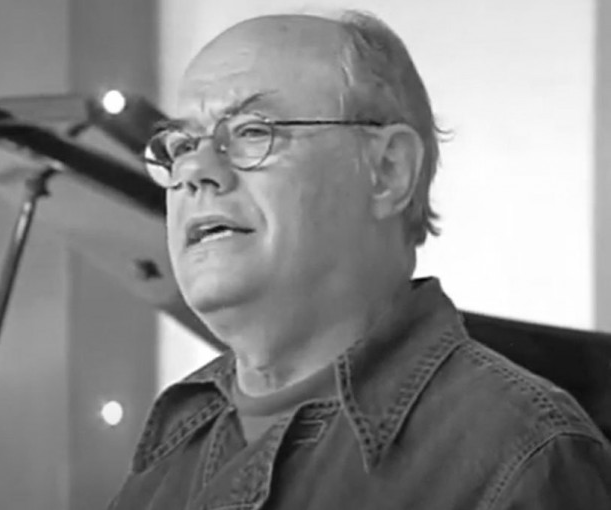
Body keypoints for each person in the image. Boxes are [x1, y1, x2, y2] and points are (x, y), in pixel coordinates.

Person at [112, 10, 611, 509]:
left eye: (252, 131)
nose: (194, 170)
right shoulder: (167, 454)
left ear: (388, 171)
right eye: (181, 145)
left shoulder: (521, 456)